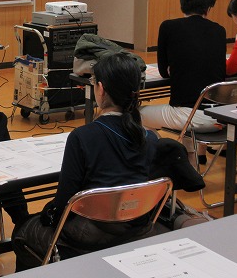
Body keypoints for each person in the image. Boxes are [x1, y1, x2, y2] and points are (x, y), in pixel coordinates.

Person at [12, 53, 158, 271]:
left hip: (91, 233)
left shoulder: (83, 136)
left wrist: (48, 215)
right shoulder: (150, 137)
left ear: (101, 89)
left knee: (22, 232)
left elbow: (65, 200)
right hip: (136, 227)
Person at [140, 0, 226, 161]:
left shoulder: (168, 27)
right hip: (221, 117)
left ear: (182, 4)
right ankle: (192, 157)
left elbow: (164, 72)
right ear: (208, 8)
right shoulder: (219, 30)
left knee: (135, 115)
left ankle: (169, 157)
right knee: (186, 110)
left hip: (189, 116)